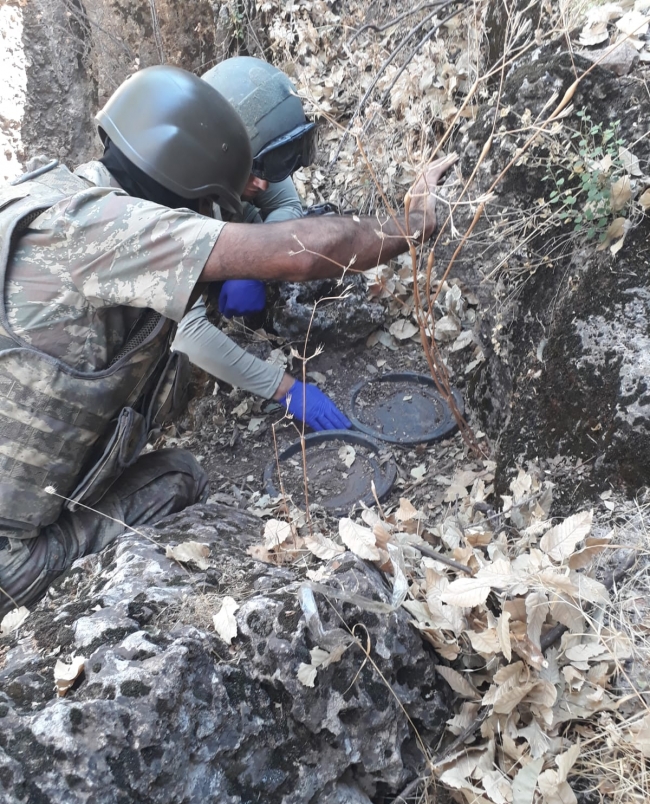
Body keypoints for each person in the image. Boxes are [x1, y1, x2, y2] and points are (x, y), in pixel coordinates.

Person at [0, 64, 456, 618]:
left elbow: (282, 208)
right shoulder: (103, 229)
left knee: (169, 471)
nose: (258, 185)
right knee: (181, 480)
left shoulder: (54, 191)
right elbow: (309, 251)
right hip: (9, 552)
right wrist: (411, 223)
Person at [172, 57, 314, 384]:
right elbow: (187, 334)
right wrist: (282, 389)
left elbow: (288, 204)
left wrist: (252, 266)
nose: (263, 184)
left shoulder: (248, 146)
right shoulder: (171, 196)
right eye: (252, 170)